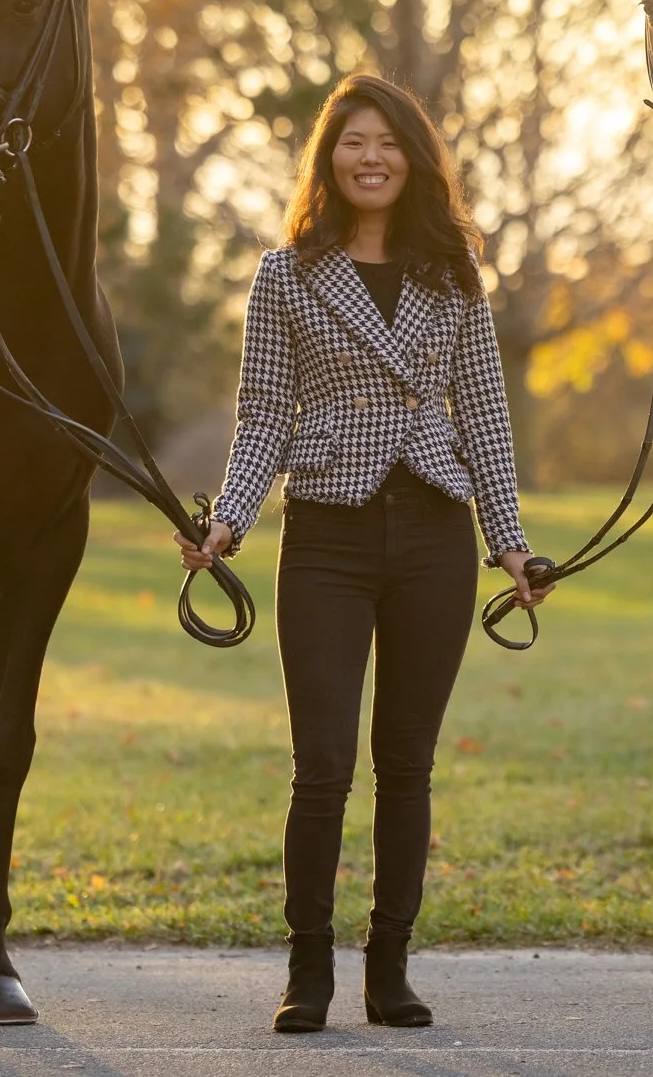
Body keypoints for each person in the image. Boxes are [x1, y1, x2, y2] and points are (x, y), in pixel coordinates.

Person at [176, 73, 551, 1032]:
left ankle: (391, 965)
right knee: (323, 763)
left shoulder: (456, 270)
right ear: (329, 160)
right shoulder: (285, 275)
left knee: (408, 763)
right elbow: (264, 416)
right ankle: (309, 971)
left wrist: (510, 543)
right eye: (353, 142)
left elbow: (487, 418)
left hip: (434, 533)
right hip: (328, 538)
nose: (371, 157)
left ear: (413, 157)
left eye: (387, 141)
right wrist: (228, 522)